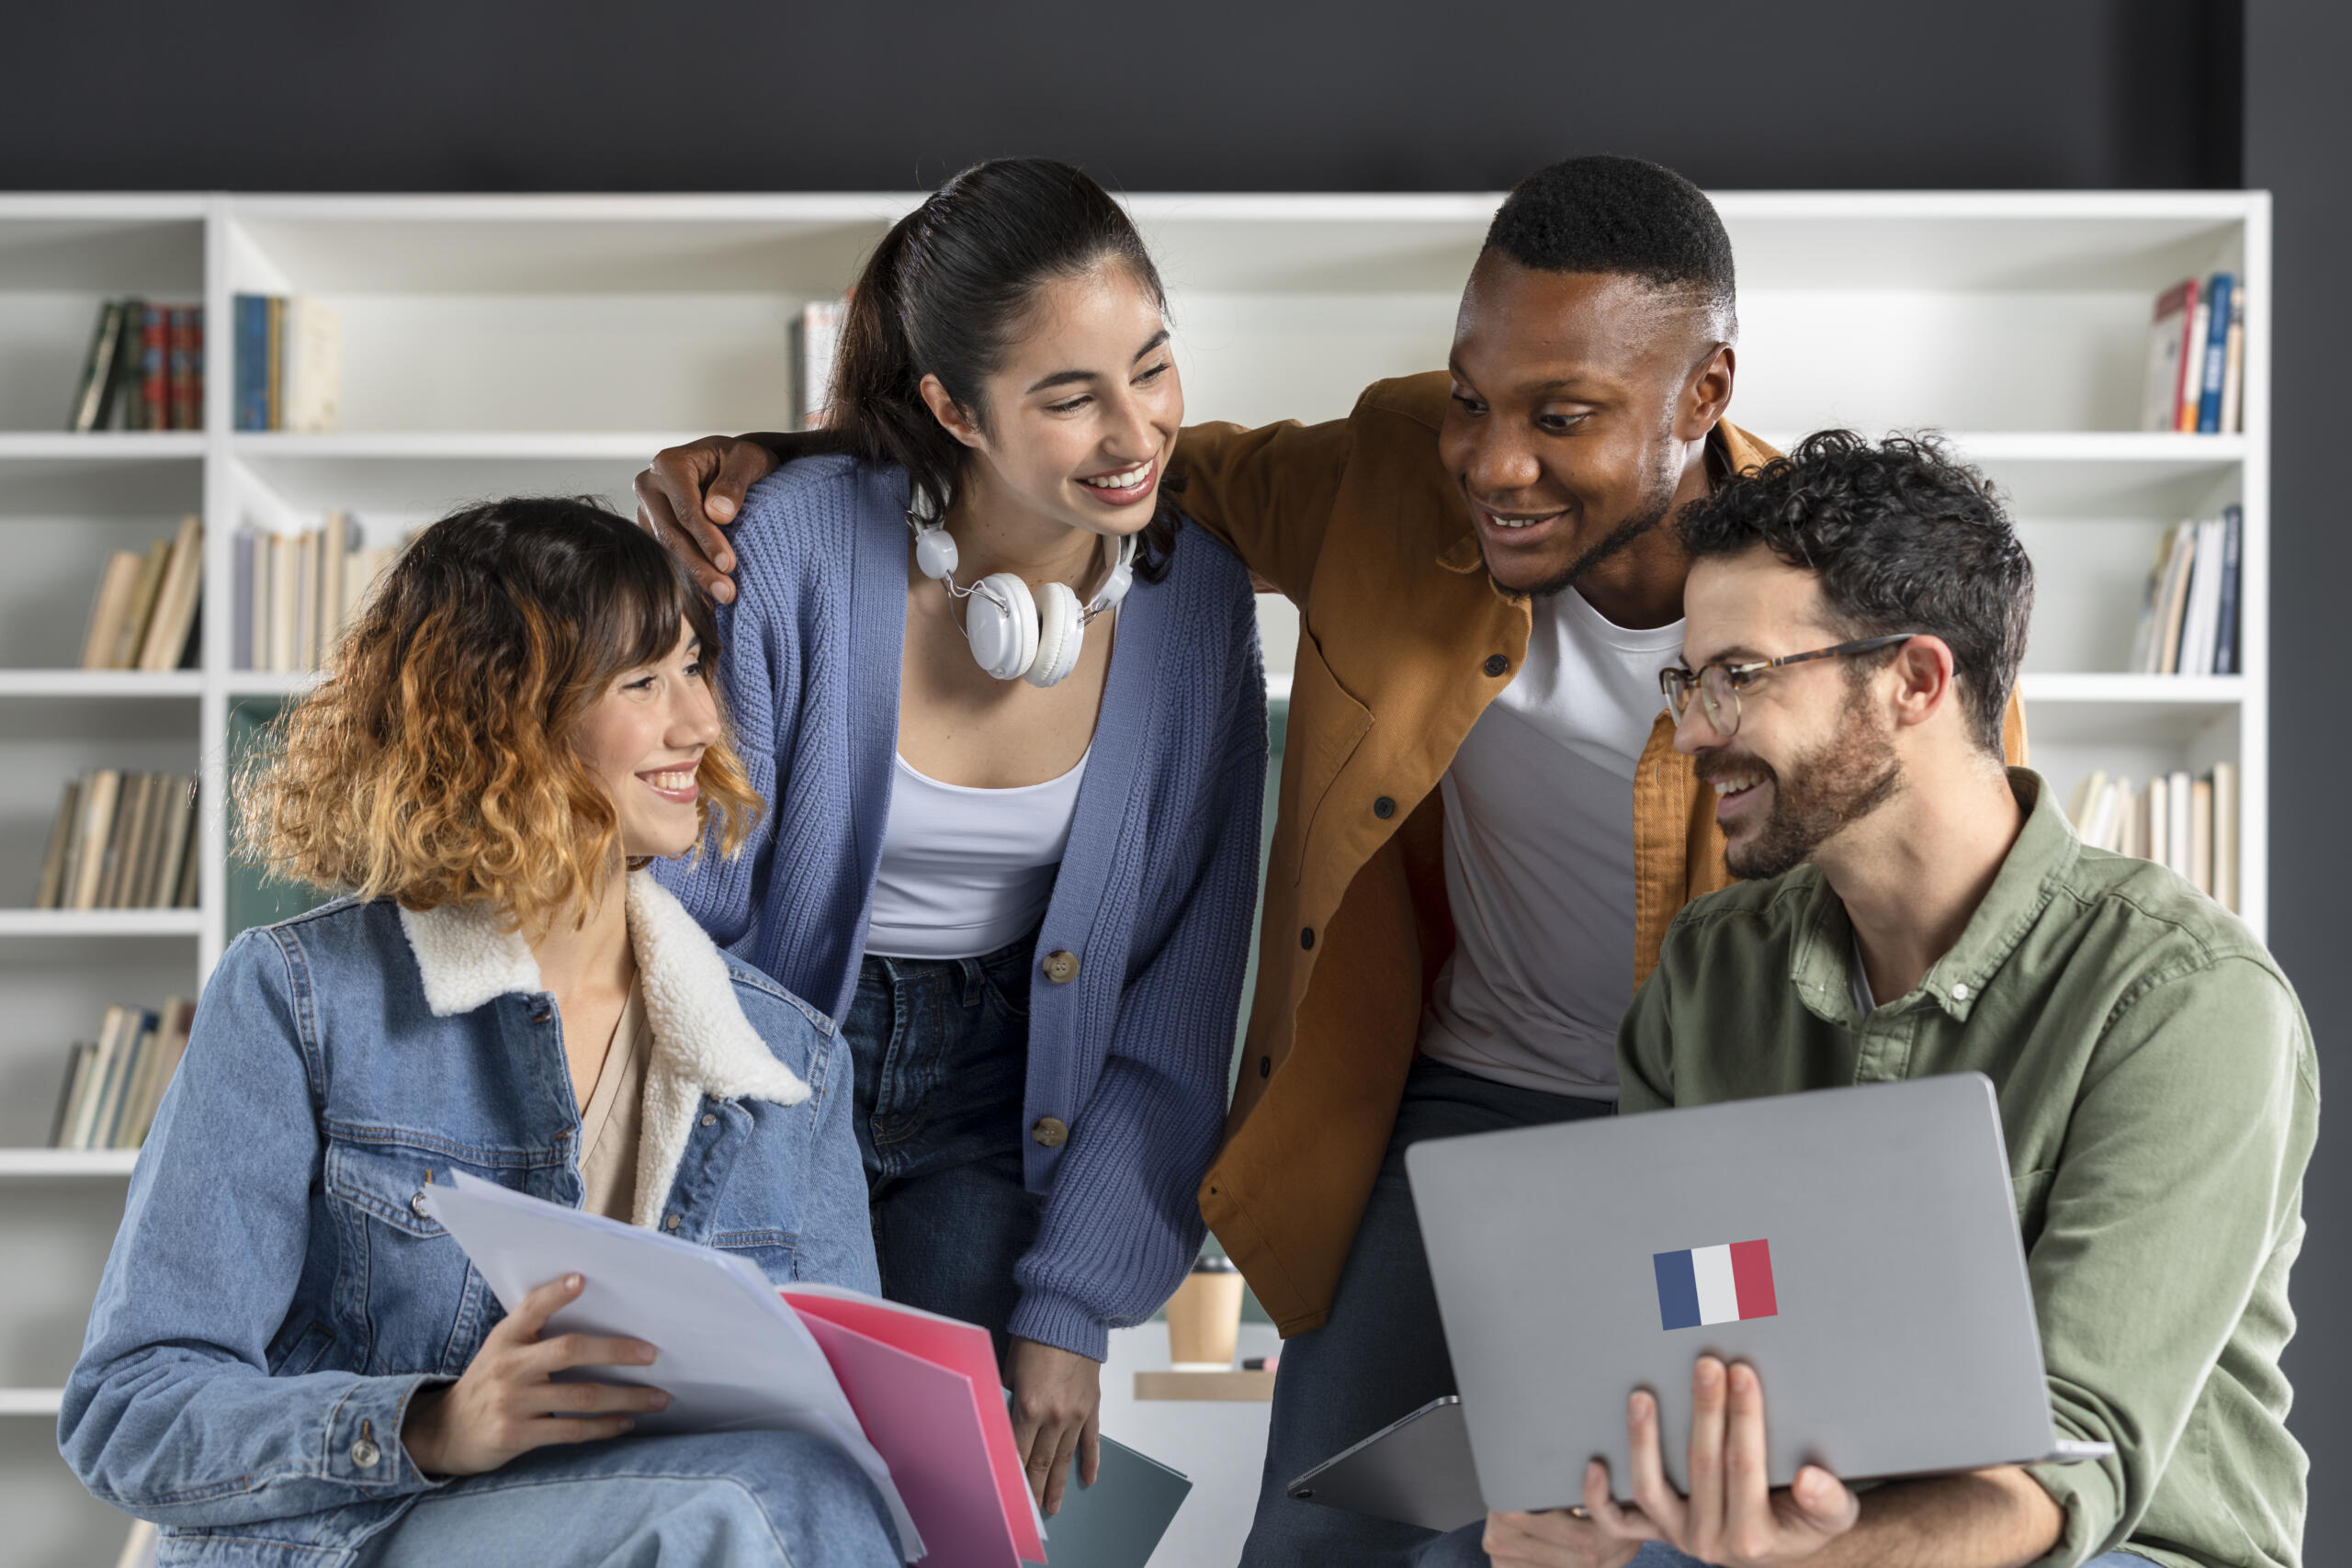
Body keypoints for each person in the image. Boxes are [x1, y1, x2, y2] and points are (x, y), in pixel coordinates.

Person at [634, 156, 2026, 1563]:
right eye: (1472, 398)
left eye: (1562, 416)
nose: (1495, 463)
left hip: (1723, 1131)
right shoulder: (1390, 476)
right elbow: (1116, 470)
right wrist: (793, 463)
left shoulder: (1860, 609)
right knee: (1319, 1533)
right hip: (1457, 1096)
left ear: (1704, 392)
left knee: (1643, 1535)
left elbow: (1980, 946)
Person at [1432, 433, 2312, 1568]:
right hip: (1788, 1523)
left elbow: (2065, 1465)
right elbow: (1660, 1345)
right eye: (1685, 682)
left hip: (2110, 1546)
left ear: (1915, 682)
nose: (1690, 731)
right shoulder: (1710, 971)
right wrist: (1586, 1499)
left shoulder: (2184, 998)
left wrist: (1776, 1559)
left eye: (1737, 675)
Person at [58, 500, 901, 1566]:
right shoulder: (300, 998)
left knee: (811, 1491)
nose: (700, 724)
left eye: (694, 668)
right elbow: (131, 1410)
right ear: (504, 716)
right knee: (754, 1505)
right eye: (642, 684)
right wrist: (430, 1426)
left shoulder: (787, 1060)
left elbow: (847, 1429)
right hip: (364, 1538)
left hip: (667, 1536)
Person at [650, 157, 1267, 1515]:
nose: (1136, 432)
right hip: (766, 1055)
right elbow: (680, 895)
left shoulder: (1198, 605)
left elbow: (1178, 993)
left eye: (1152, 368)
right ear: (951, 408)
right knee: (749, 1496)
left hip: (1006, 1097)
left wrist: (1073, 1303)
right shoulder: (794, 543)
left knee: (947, 1511)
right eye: (1070, 396)